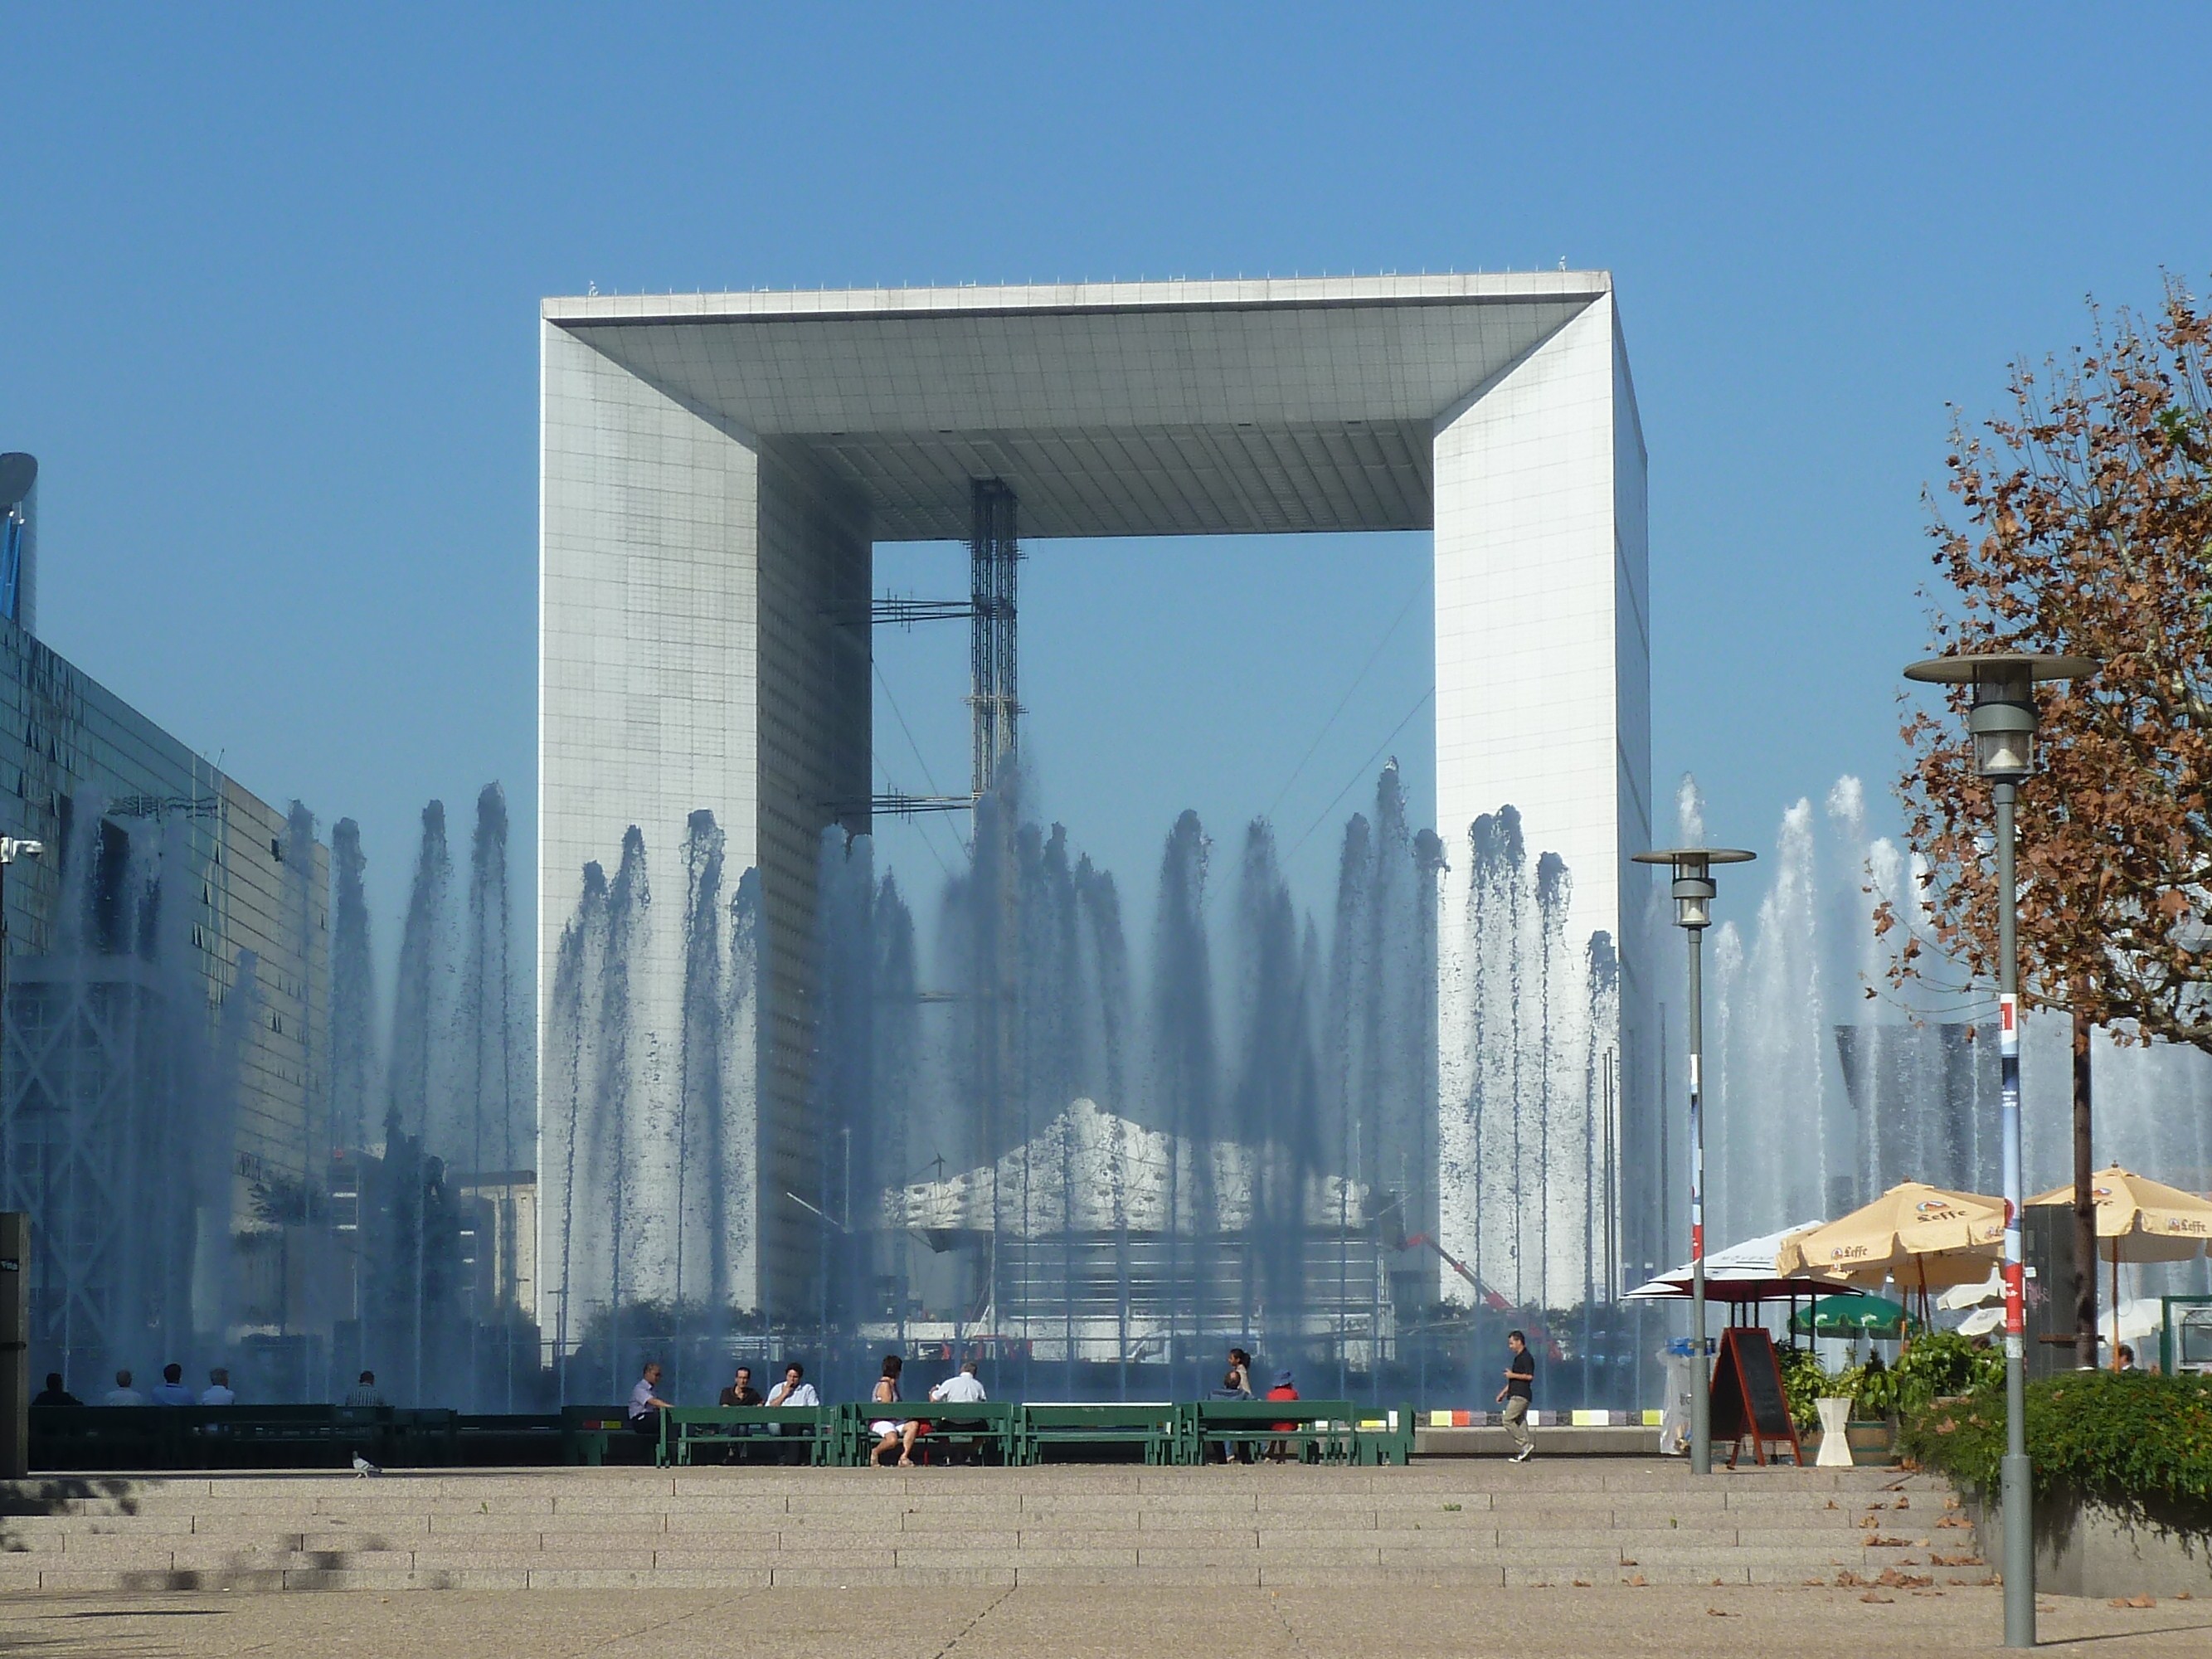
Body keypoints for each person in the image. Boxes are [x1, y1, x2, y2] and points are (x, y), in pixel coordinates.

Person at [928, 1360, 989, 1465]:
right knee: (984, 1428)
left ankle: (950, 1454)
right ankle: (969, 1453)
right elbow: (984, 1403)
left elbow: (933, 1400)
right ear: (974, 1373)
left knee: (939, 1429)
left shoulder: (950, 1383)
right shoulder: (978, 1385)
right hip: (972, 1423)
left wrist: (932, 1390)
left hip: (951, 1423)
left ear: (961, 1370)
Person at [765, 1362, 820, 1465]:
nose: (792, 1379)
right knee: (774, 1427)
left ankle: (802, 1458)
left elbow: (814, 1408)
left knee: (804, 1431)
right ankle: (782, 1457)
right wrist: (784, 1394)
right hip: (781, 1421)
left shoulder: (807, 1389)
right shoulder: (778, 1388)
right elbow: (769, 1408)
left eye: (795, 1377)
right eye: (790, 1376)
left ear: (800, 1378)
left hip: (801, 1422)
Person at [869, 1354, 918, 1468]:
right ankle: (875, 1452)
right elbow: (888, 1409)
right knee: (892, 1440)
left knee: (913, 1425)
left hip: (893, 1421)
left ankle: (904, 1457)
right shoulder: (885, 1385)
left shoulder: (892, 1385)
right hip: (881, 1421)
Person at [1497, 1329, 1536, 1462]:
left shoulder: (1526, 1357)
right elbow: (1514, 1379)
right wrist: (1503, 1392)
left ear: (1519, 1341)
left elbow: (1529, 1376)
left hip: (1521, 1395)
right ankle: (1526, 1454)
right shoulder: (1518, 1358)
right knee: (1520, 1422)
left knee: (1507, 1420)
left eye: (1512, 1343)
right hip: (1516, 1393)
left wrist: (1512, 1375)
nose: (1510, 1346)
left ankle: (1525, 1445)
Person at [629, 1361, 673, 1440]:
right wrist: (674, 1409)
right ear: (647, 1373)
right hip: (639, 1420)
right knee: (664, 1418)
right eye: (656, 1375)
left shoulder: (652, 1390)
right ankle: (671, 1448)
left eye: (659, 1375)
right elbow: (654, 1402)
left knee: (668, 1421)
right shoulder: (640, 1388)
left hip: (648, 1418)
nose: (658, 1378)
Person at [1265, 1370, 1300, 1463]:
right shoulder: (1293, 1393)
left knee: (1277, 1427)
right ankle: (1282, 1455)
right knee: (1284, 1426)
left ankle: (1270, 1453)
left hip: (1273, 1425)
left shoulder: (1271, 1394)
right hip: (1289, 1425)